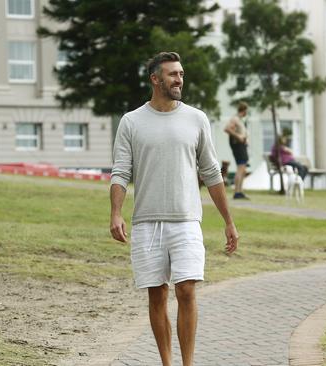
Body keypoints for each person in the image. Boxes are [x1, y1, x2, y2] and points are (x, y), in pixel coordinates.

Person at [109, 51, 239, 366]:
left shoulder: (196, 118)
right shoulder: (132, 121)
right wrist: (115, 213)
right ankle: (167, 362)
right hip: (147, 224)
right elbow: (120, 173)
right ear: (155, 79)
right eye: (172, 74)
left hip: (186, 222)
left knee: (187, 291)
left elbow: (211, 173)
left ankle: (188, 364)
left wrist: (228, 222)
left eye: (180, 73)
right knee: (157, 295)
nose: (179, 79)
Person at [224, 102, 250, 199]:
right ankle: (236, 192)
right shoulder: (235, 119)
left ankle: (240, 191)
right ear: (244, 110)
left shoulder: (240, 120)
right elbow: (227, 129)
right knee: (240, 168)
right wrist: (238, 137)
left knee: (243, 169)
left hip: (242, 145)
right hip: (238, 146)